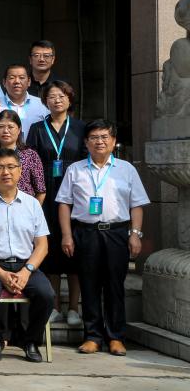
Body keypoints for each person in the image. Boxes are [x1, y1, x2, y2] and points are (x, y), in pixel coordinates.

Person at [58, 120, 149, 357]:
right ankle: (93, 336)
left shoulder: (126, 169)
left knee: (114, 286)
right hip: (85, 233)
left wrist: (135, 234)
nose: (99, 141)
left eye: (104, 137)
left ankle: (116, 337)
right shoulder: (75, 169)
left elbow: (137, 204)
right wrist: (67, 235)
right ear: (86, 142)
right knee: (89, 285)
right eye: (94, 137)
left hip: (117, 233)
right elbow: (64, 203)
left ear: (113, 141)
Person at [0, 148, 54, 362]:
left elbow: (42, 245)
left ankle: (30, 341)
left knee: (46, 294)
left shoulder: (32, 204)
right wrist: (0, 273)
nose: (6, 172)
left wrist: (27, 271)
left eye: (11, 167)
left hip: (26, 264)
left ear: (20, 171)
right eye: (0, 168)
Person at [25, 80, 86, 326]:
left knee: (74, 251)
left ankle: (73, 308)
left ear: (70, 99)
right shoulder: (37, 128)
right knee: (49, 249)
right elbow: (30, 162)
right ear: (45, 101)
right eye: (51, 96)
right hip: (46, 192)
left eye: (62, 96)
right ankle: (54, 307)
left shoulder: (81, 128)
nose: (57, 100)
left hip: (75, 193)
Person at [0, 110, 47, 204]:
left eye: (10, 127)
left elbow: (41, 190)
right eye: (1, 127)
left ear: (19, 130)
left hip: (24, 207)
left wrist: (32, 210)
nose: (5, 131)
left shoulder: (31, 156)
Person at [2, 64, 50, 140]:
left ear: (29, 82)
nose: (17, 81)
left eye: (21, 78)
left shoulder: (42, 104)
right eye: (12, 78)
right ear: (4, 82)